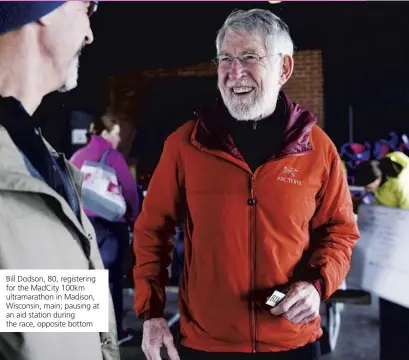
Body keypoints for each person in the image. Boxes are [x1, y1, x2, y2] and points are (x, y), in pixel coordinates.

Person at [133, 8, 359, 360]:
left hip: (292, 342)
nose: (234, 72)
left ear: (284, 68)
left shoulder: (318, 148)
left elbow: (339, 232)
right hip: (207, 344)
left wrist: (316, 285)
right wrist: (153, 313)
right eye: (225, 59)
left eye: (250, 57)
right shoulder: (185, 145)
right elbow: (152, 230)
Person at [0, 2, 119, 360]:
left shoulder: (42, 162)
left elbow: (59, 328)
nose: (89, 33)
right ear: (43, 11)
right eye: (87, 8)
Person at [70, 114, 140, 345]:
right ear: (103, 132)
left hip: (84, 226)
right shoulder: (114, 157)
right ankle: (114, 333)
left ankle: (89, 332)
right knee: (111, 280)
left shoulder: (77, 157)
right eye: (116, 132)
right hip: (111, 226)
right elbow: (130, 192)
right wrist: (133, 219)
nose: (119, 137)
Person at [354, 151, 409, 360]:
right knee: (389, 314)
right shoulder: (385, 172)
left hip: (401, 256)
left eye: (369, 187)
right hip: (387, 253)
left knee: (399, 315)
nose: (368, 191)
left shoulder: (400, 186)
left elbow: (404, 221)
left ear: (378, 179)